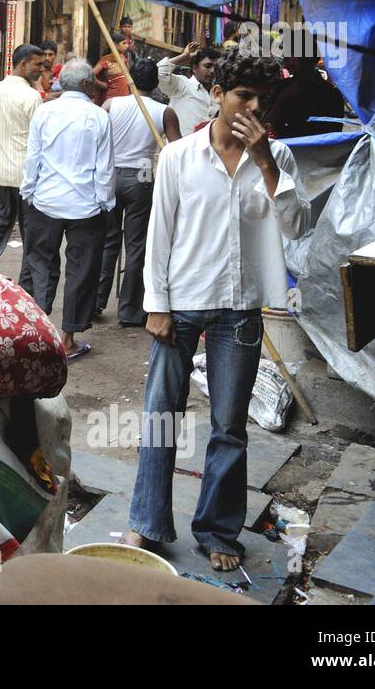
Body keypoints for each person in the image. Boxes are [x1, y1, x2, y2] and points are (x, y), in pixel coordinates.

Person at [123, 49, 311, 572]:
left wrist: (269, 162)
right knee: (162, 417)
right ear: (217, 96)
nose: (252, 107)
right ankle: (148, 523)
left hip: (240, 309)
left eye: (261, 99)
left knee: (230, 426)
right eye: (242, 96)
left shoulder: (276, 159)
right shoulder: (180, 156)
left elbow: (297, 227)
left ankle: (218, 530)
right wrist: (155, 307)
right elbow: (158, 236)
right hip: (180, 304)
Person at [19, 59, 114, 361]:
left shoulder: (45, 112)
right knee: (81, 270)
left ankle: (40, 335)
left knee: (41, 265)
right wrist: (105, 202)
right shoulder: (98, 116)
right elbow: (105, 168)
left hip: (45, 201)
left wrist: (29, 191)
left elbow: (33, 157)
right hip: (85, 206)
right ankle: (68, 338)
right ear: (88, 85)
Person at [93, 58, 182, 327]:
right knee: (136, 247)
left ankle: (95, 302)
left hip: (110, 177)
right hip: (141, 180)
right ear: (156, 84)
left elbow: (98, 139)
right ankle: (130, 311)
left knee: (107, 242)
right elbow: (176, 151)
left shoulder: (111, 105)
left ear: (130, 78)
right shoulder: (165, 112)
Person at [0, 44, 44, 267]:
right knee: (31, 234)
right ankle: (28, 287)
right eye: (37, 64)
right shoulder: (32, 97)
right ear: (23, 65)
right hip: (25, 177)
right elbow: (40, 141)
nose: (41, 69)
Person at [263, 54, 346, 138]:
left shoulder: (331, 95)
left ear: (308, 58)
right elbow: (264, 128)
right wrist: (283, 98)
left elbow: (332, 137)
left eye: (292, 54)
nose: (285, 60)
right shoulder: (282, 89)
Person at [157, 41, 217, 131]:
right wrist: (184, 56)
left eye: (216, 67)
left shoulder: (218, 93)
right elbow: (159, 72)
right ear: (194, 68)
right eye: (208, 66)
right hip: (181, 144)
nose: (212, 70)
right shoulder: (183, 85)